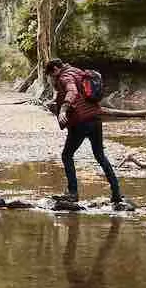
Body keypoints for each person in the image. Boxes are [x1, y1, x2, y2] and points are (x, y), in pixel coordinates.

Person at [44, 57, 128, 209]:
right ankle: (116, 193)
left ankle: (73, 193)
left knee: (66, 155)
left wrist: (64, 108)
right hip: (95, 119)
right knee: (100, 156)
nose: (51, 79)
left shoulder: (65, 76)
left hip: (81, 122)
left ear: (55, 70)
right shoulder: (77, 71)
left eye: (51, 75)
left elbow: (72, 91)